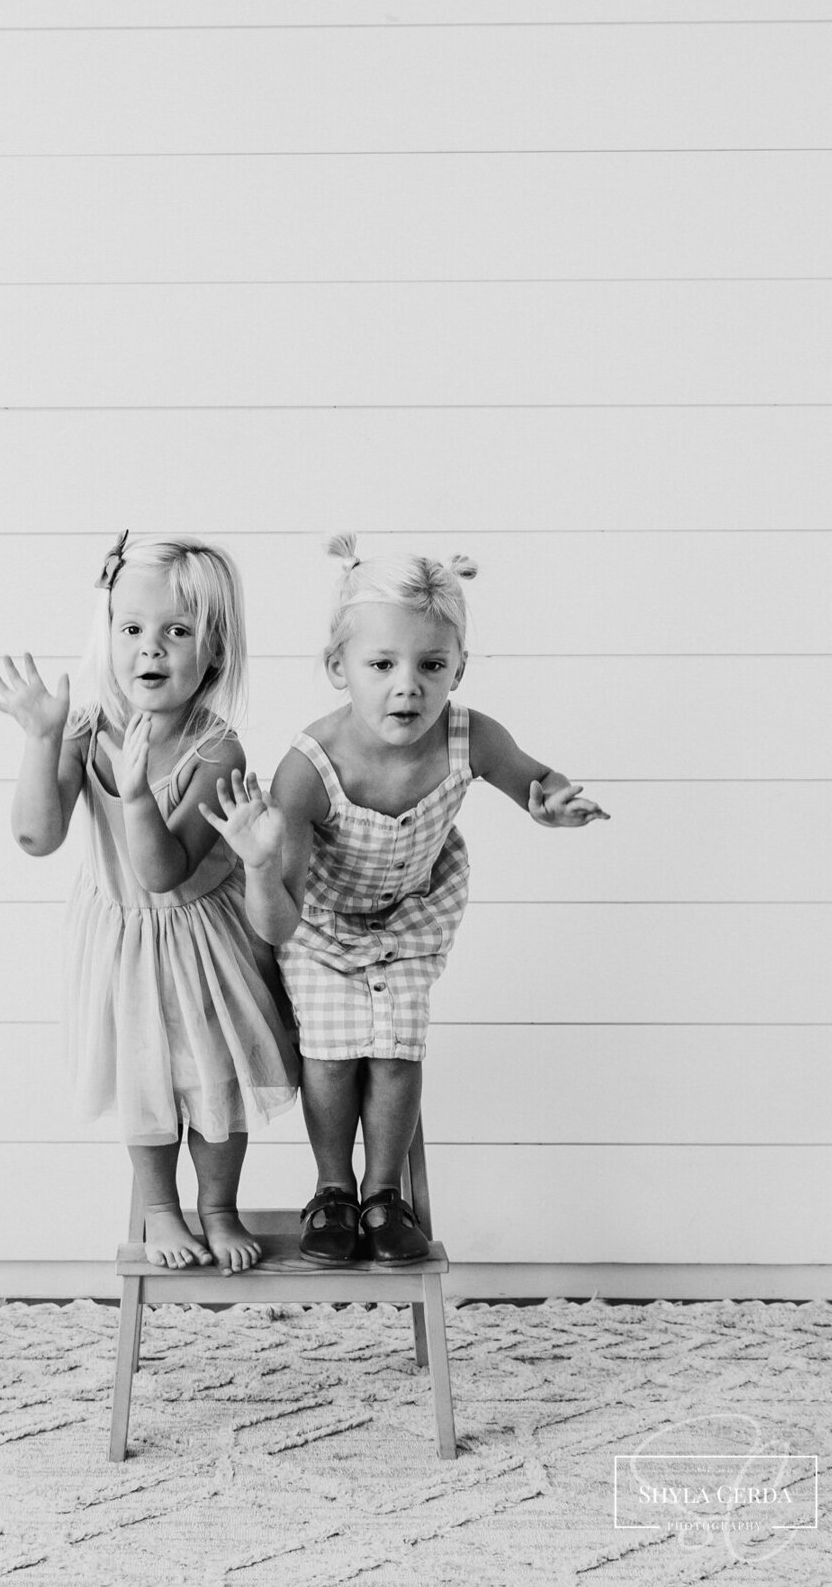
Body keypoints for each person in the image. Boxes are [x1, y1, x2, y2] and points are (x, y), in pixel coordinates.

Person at [201, 533, 608, 1266]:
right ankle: (333, 1190)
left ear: (459, 668)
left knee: (394, 1047)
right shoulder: (307, 768)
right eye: (381, 665)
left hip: (414, 916)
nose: (408, 686)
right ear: (339, 668)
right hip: (320, 924)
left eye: (431, 665)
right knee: (330, 1053)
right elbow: (281, 919)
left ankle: (383, 1196)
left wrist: (551, 803)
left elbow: (532, 778)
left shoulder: (468, 735)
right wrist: (259, 868)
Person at [0, 532, 297, 1273]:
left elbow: (162, 869)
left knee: (211, 1079)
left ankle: (217, 1206)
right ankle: (161, 1208)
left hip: (199, 938)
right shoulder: (88, 728)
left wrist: (132, 791)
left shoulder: (216, 748)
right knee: (146, 1078)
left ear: (212, 653)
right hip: (121, 941)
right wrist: (41, 739)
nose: (149, 649)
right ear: (108, 636)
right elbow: (37, 835)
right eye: (132, 630)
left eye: (176, 632)